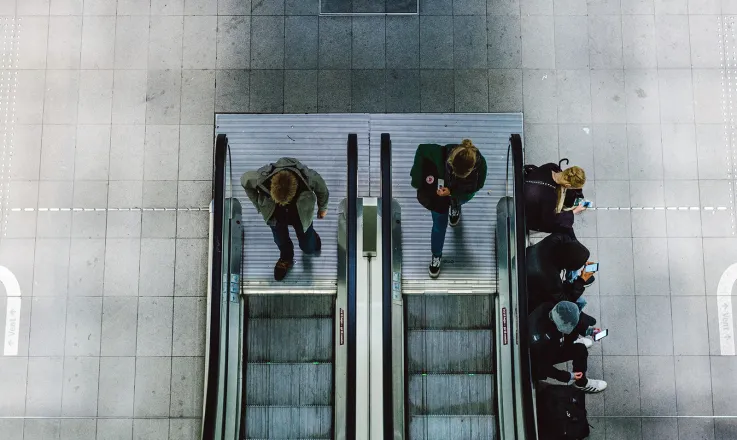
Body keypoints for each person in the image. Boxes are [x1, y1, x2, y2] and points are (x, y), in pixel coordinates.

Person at [410, 139, 487, 278]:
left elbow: (476, 187)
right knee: (439, 225)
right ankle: (436, 255)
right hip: (441, 198)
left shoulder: (480, 166)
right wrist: (416, 180)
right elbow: (421, 149)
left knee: (457, 203)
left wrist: (452, 193)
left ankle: (455, 207)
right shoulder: (440, 153)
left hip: (460, 194)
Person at [241, 158, 329, 281]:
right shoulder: (260, 179)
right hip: (275, 213)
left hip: (300, 213)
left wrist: (322, 208)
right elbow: (245, 181)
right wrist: (258, 204)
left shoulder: (308, 178)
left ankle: (312, 238)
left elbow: (322, 190)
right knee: (280, 239)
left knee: (308, 247)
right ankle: (286, 257)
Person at [529, 301, 607, 393]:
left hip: (554, 340)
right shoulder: (540, 342)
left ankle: (570, 343)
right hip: (545, 353)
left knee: (574, 340)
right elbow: (542, 366)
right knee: (580, 350)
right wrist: (567, 376)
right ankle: (581, 383)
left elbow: (569, 317)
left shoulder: (551, 308)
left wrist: (588, 331)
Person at [526, 232, 594, 312]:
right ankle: (573, 282)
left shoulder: (556, 239)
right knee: (579, 301)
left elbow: (569, 239)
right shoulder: (550, 277)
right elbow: (565, 301)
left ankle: (571, 281)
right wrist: (581, 281)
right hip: (530, 287)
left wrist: (581, 256)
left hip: (528, 257)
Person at [524, 161, 587, 237]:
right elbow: (549, 224)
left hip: (525, 187)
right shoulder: (550, 199)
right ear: (567, 185)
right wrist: (574, 212)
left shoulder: (551, 167)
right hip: (524, 211)